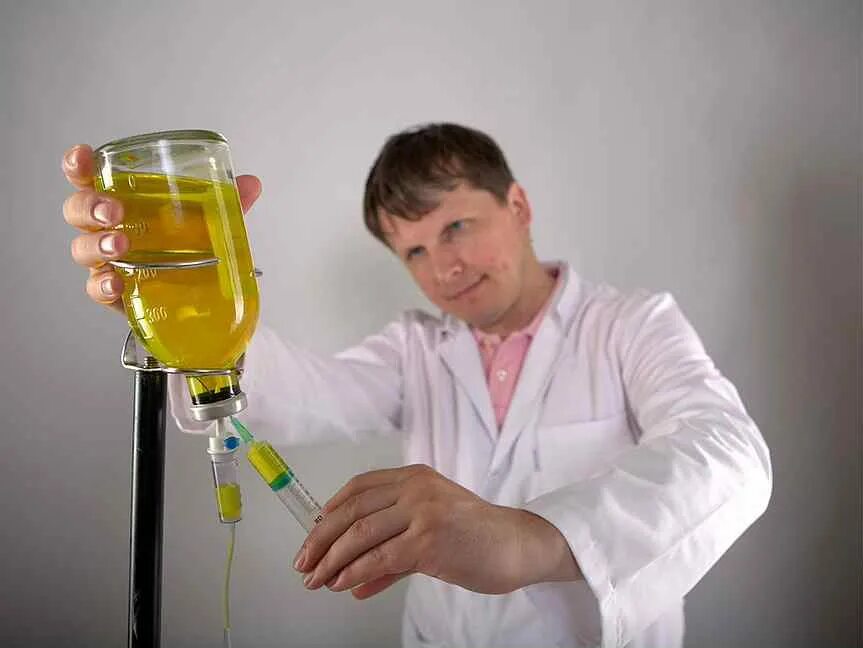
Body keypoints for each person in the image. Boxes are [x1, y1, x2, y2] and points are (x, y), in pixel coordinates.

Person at [63, 123, 772, 648]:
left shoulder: (631, 325)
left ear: (518, 206)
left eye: (457, 226)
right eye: (415, 251)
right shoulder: (417, 350)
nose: (444, 269)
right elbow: (304, 393)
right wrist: (193, 312)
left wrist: (531, 537)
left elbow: (730, 456)